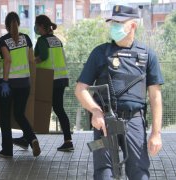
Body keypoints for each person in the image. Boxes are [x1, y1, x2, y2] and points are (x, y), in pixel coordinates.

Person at [75, 5, 164, 180]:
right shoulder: (99, 53)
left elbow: (155, 96)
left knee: (139, 173)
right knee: (103, 174)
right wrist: (95, 111)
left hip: (135, 122)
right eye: (113, 22)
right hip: (105, 124)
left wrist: (156, 133)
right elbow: (80, 90)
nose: (114, 26)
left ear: (133, 25)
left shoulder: (147, 55)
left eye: (120, 22)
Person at [13, 15, 74, 152]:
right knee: (59, 109)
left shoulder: (42, 40)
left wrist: (32, 63)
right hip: (61, 78)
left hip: (48, 79)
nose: (35, 28)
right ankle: (68, 140)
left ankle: (27, 139)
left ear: (41, 26)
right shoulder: (57, 40)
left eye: (36, 25)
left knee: (32, 107)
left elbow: (44, 57)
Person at [0, 12, 41, 158]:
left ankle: (7, 151)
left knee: (5, 117)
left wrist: (5, 82)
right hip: (24, 84)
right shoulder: (26, 39)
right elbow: (32, 61)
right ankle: (32, 139)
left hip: (8, 85)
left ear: (6, 25)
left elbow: (7, 60)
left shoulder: (3, 41)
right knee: (20, 114)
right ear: (18, 23)